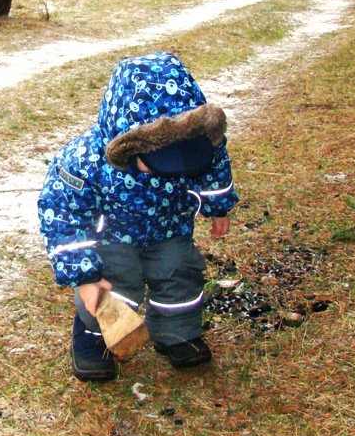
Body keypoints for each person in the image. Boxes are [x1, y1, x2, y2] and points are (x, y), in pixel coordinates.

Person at [37, 51, 238, 381]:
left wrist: (218, 206)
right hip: (110, 234)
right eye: (163, 159)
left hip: (170, 226)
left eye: (185, 156)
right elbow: (61, 214)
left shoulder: (198, 141)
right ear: (129, 144)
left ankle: (178, 331)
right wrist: (84, 275)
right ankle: (93, 338)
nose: (177, 167)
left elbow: (214, 166)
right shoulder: (85, 160)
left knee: (179, 272)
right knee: (116, 283)